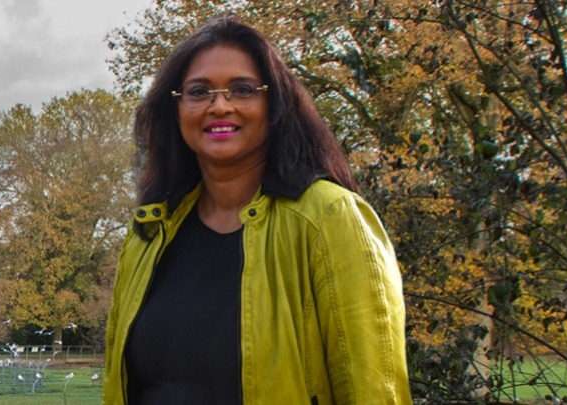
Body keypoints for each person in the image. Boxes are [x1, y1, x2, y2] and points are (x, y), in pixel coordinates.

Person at [102, 17, 410, 405]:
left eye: (242, 89)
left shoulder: (329, 218)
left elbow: (374, 393)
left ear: (274, 104)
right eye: (199, 92)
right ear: (176, 109)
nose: (219, 105)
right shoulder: (150, 233)